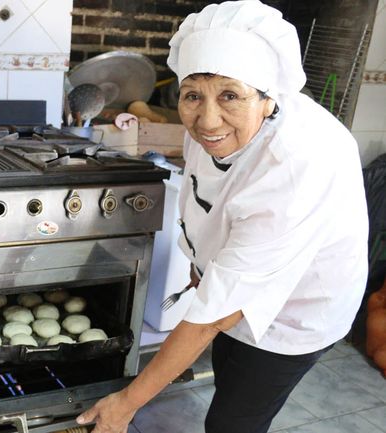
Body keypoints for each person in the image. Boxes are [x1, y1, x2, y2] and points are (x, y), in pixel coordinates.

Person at [76, 1, 369, 432]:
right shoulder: (215, 128)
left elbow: (215, 315)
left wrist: (127, 403)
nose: (208, 120)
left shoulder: (297, 165)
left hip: (295, 313)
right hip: (241, 280)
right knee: (228, 370)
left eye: (230, 95)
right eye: (193, 95)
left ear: (267, 99)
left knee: (234, 420)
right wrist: (201, 265)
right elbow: (208, 197)